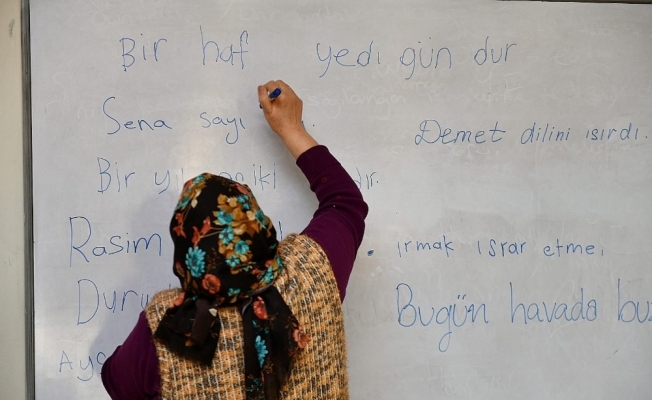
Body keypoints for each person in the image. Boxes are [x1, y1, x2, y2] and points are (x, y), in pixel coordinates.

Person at [101, 80, 368, 399]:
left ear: (187, 252)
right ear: (258, 226)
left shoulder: (166, 328)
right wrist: (291, 128)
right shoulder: (311, 271)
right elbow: (345, 202)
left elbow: (117, 381)